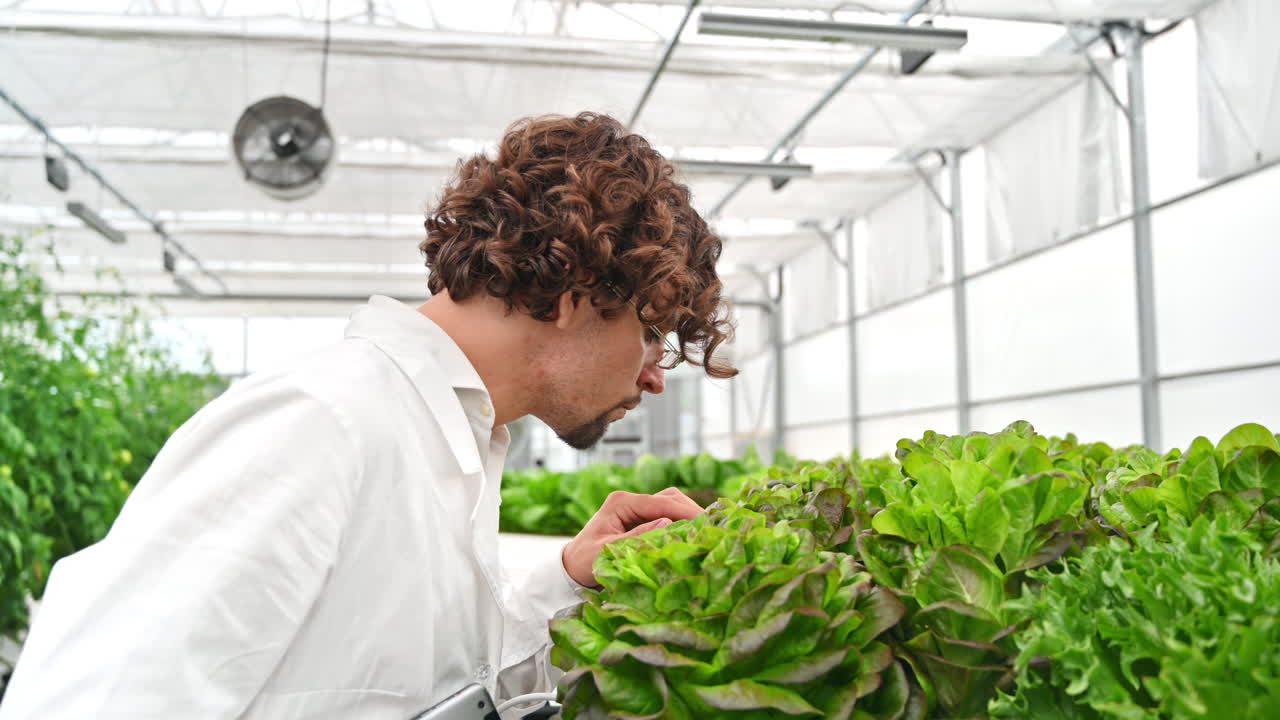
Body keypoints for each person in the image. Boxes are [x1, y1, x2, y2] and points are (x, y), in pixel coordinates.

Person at [0, 112, 737, 719]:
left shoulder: (448, 437)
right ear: (578, 294)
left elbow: (432, 689)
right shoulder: (318, 426)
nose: (652, 375)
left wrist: (569, 578)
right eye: (651, 330)